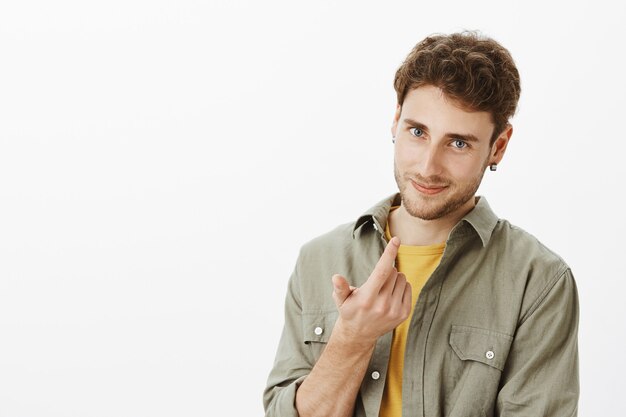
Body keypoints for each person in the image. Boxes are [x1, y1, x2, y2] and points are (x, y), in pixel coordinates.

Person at [263, 31, 579, 417]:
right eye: (417, 132)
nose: (429, 167)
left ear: (498, 146)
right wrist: (352, 338)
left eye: (458, 143)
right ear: (396, 120)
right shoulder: (319, 259)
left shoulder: (538, 282)